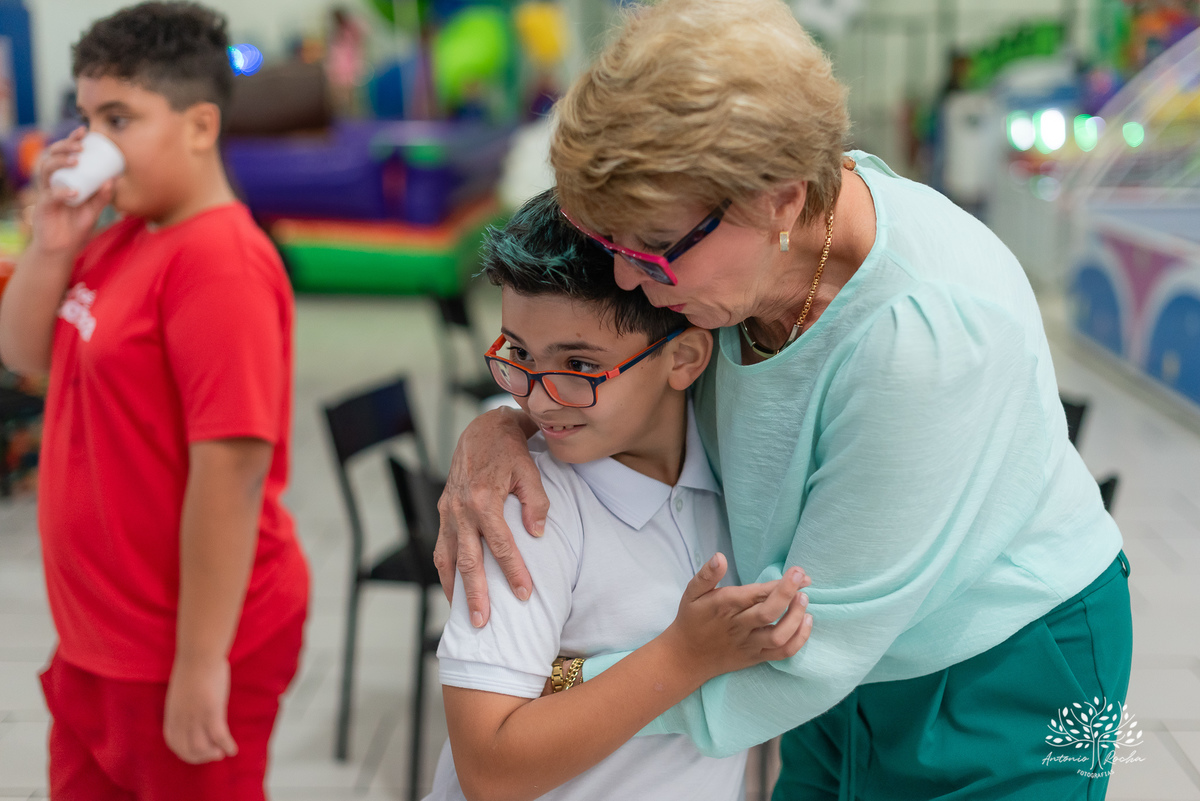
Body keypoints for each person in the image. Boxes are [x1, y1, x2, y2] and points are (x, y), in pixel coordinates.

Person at [434, 0, 1133, 798]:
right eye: (613, 245)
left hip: (1003, 664)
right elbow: (609, 367)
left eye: (654, 251)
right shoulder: (728, 267)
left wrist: (551, 688)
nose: (629, 279)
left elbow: (803, 655)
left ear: (780, 199)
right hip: (811, 642)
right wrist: (502, 427)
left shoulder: (924, 339)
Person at [0, 4, 309, 799]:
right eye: (86, 115)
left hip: (181, 643)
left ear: (200, 125)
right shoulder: (119, 234)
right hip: (98, 639)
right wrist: (53, 239)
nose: (91, 141)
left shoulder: (219, 263)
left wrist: (201, 664)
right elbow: (22, 353)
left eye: (119, 118)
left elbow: (233, 474)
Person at [426, 188, 812, 801]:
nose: (541, 399)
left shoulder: (733, 471)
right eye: (518, 354)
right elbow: (488, 766)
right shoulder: (528, 509)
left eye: (578, 365)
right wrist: (684, 658)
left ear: (685, 358)